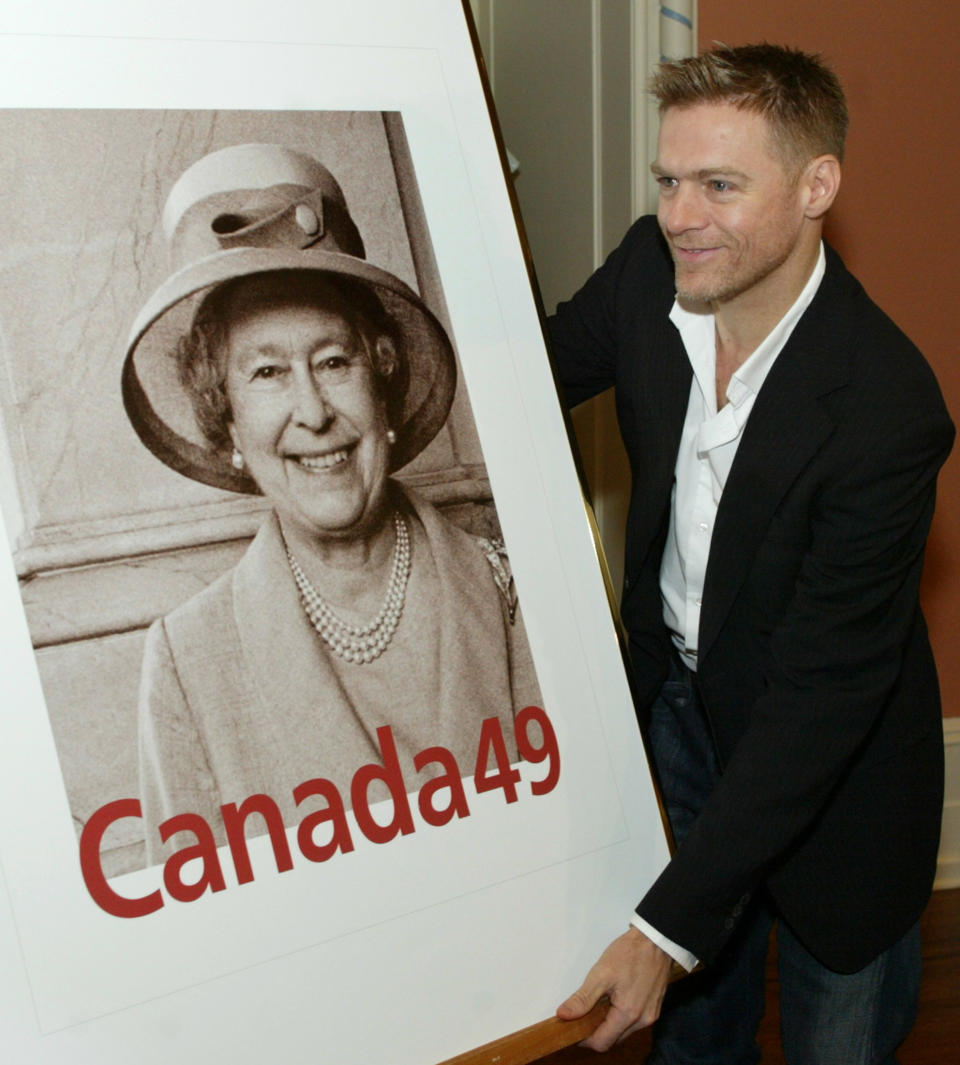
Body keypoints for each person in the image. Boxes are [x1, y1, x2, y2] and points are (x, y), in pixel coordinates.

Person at [549, 44, 954, 1064]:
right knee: (695, 1039)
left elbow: (820, 699)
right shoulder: (652, 270)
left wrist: (659, 931)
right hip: (677, 709)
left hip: (834, 776)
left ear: (819, 185)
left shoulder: (885, 411)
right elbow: (527, 376)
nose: (683, 215)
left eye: (721, 184)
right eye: (671, 180)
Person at [122, 143, 541, 865]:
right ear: (227, 429)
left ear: (384, 386)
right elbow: (205, 935)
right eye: (267, 372)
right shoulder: (187, 662)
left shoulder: (512, 588)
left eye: (333, 360)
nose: (313, 411)